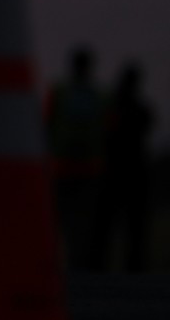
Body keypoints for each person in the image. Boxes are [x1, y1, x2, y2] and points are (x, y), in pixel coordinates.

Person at [88, 63, 154, 272]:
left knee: (107, 226)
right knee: (132, 227)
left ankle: (99, 265)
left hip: (115, 172)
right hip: (132, 173)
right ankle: (131, 266)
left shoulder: (113, 108)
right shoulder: (141, 110)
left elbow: (105, 136)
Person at [45, 45, 107, 266]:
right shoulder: (99, 95)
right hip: (87, 167)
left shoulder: (60, 92)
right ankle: (77, 264)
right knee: (81, 222)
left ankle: (62, 264)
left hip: (65, 166)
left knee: (61, 220)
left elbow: (46, 122)